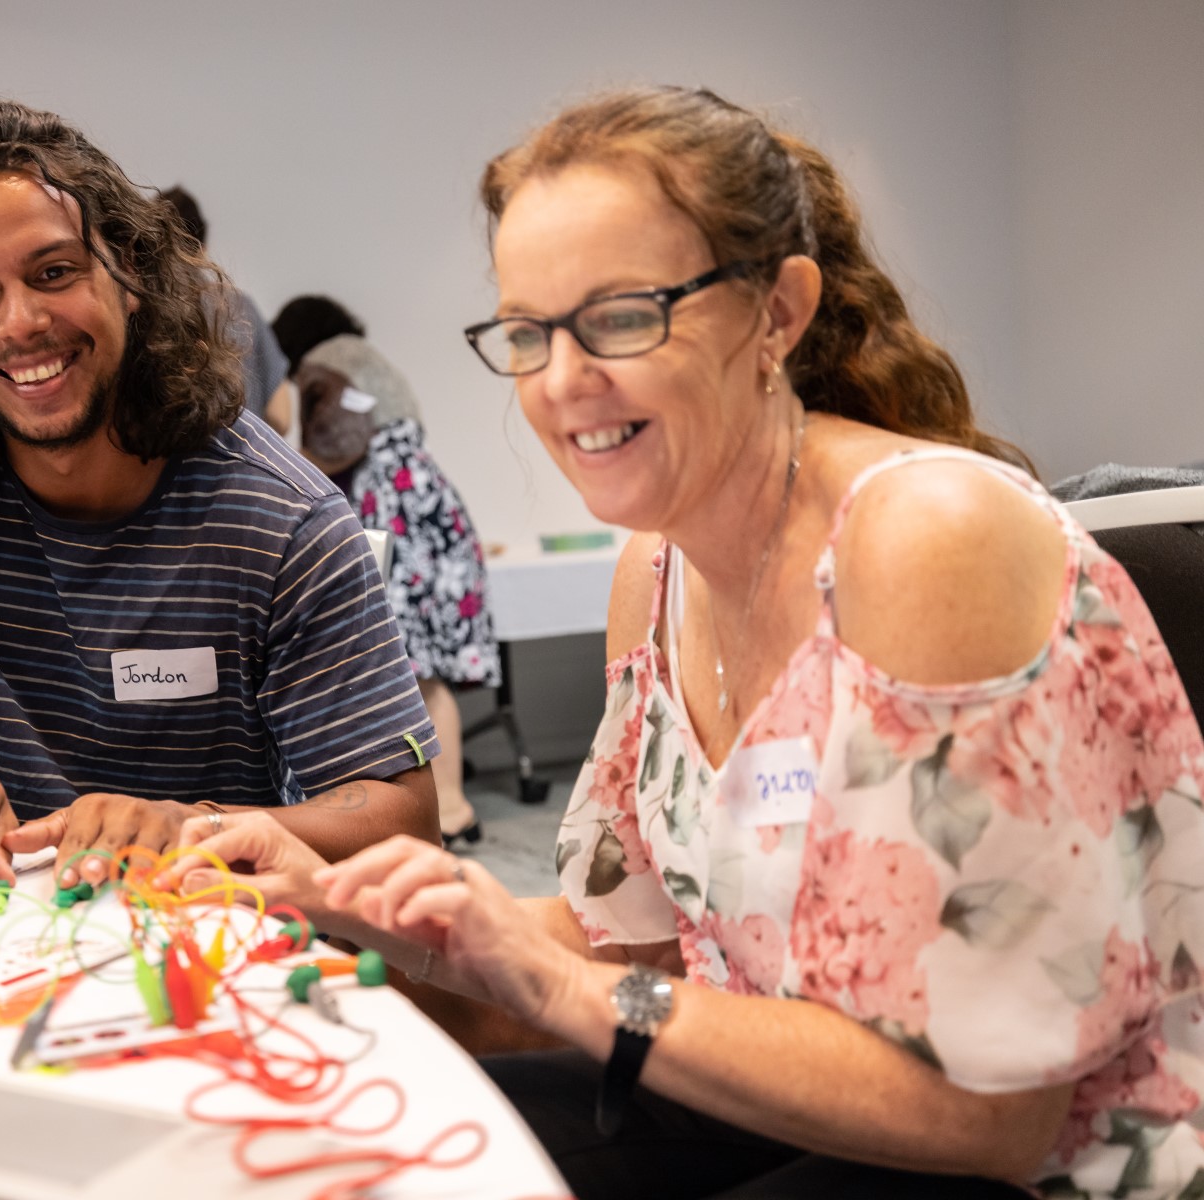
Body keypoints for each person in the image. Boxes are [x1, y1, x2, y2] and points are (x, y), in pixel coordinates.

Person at [163, 86, 1204, 1199]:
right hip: (792, 1099)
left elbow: (990, 1119)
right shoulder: (653, 572)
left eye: (621, 317)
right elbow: (628, 945)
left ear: (779, 311)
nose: (562, 381)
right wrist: (356, 904)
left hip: (1045, 1167)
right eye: (527, 332)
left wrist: (544, 985)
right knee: (363, 1162)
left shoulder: (923, 539)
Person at [0, 98, 438, 922]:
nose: (22, 324)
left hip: (188, 947)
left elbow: (403, 821)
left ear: (133, 279)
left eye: (54, 273)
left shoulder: (280, 519)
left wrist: (196, 823)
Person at [287, 322, 502, 847]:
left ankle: (446, 808)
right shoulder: (371, 366)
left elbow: (337, 439)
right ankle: (451, 807)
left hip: (389, 511)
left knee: (414, 675)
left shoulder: (327, 360)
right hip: (421, 505)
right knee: (428, 675)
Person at [156, 186, 292, 434]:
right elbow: (280, 416)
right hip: (241, 463)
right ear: (203, 248)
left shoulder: (142, 310)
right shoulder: (240, 307)